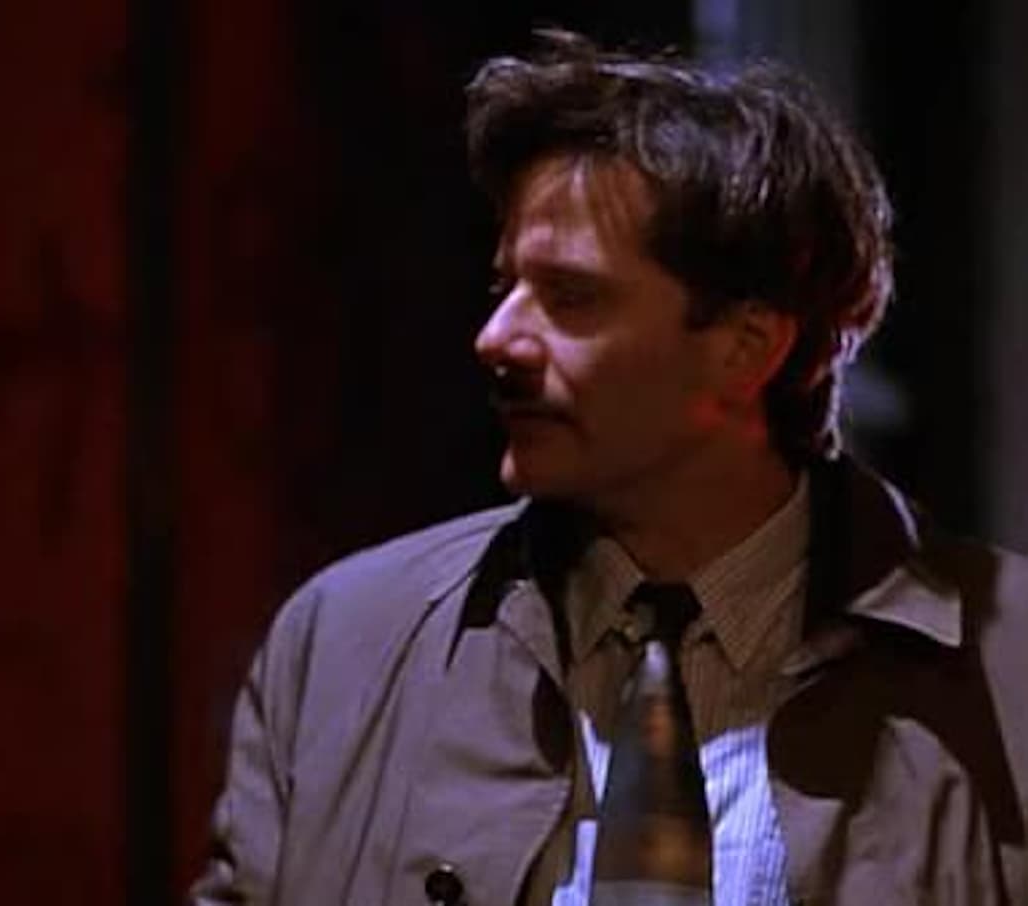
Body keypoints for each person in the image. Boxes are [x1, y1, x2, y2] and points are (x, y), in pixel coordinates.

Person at [190, 30, 1028, 906]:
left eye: (570, 298)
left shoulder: (1004, 673)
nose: (497, 339)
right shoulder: (343, 648)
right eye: (504, 288)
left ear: (746, 348)